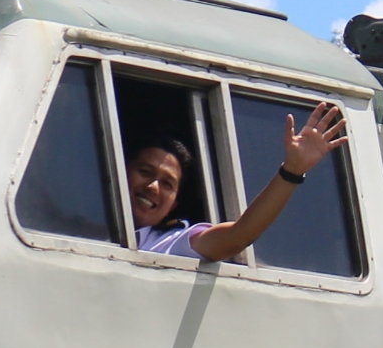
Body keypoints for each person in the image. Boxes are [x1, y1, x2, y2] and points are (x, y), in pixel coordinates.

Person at [128, 102, 350, 262]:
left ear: (173, 205)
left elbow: (238, 236)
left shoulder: (171, 244)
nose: (153, 187)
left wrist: (292, 170)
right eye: (145, 172)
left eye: (168, 184)